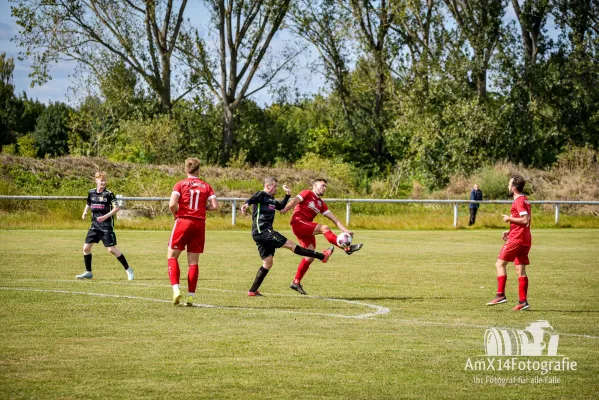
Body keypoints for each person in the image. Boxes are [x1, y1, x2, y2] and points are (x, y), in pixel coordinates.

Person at [241, 177, 334, 297]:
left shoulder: (271, 199)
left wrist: (288, 194)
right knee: (291, 245)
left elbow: (281, 207)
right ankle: (322, 256)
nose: (276, 188)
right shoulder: (261, 194)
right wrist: (246, 204)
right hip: (263, 231)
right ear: (268, 186)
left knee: (268, 263)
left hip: (263, 233)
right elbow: (253, 199)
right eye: (274, 186)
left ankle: (252, 291)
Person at [280, 178, 363, 295]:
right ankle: (347, 248)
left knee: (310, 256)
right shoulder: (307, 193)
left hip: (306, 228)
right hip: (298, 223)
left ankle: (296, 282)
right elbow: (295, 201)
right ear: (314, 185)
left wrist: (345, 230)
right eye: (322, 185)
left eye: (325, 186)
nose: (324, 188)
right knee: (324, 228)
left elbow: (333, 218)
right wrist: (286, 208)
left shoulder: (321, 203)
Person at [167, 158, 218, 306]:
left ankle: (176, 289)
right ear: (199, 170)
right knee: (193, 262)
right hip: (199, 224)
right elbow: (215, 206)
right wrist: (203, 208)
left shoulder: (180, 184)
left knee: (172, 256)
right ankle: (190, 297)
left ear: (186, 170)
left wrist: (175, 215)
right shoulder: (206, 186)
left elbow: (172, 204)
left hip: (183, 221)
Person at [77, 171, 134, 280]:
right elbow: (88, 203)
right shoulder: (91, 192)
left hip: (106, 227)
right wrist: (85, 212)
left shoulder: (109, 194)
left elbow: (117, 208)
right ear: (96, 180)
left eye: (105, 180)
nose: (103, 182)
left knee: (111, 250)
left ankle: (128, 270)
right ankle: (88, 272)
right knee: (86, 248)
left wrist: (105, 217)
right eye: (101, 180)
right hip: (94, 226)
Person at [486, 174, 532, 311]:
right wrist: (510, 231)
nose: (507, 186)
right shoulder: (525, 200)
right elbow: (523, 221)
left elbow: (524, 220)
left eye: (509, 184)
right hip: (524, 239)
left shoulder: (518, 201)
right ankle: (523, 302)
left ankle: (500, 295)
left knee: (500, 264)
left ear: (513, 188)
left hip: (517, 239)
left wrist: (509, 219)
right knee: (520, 269)